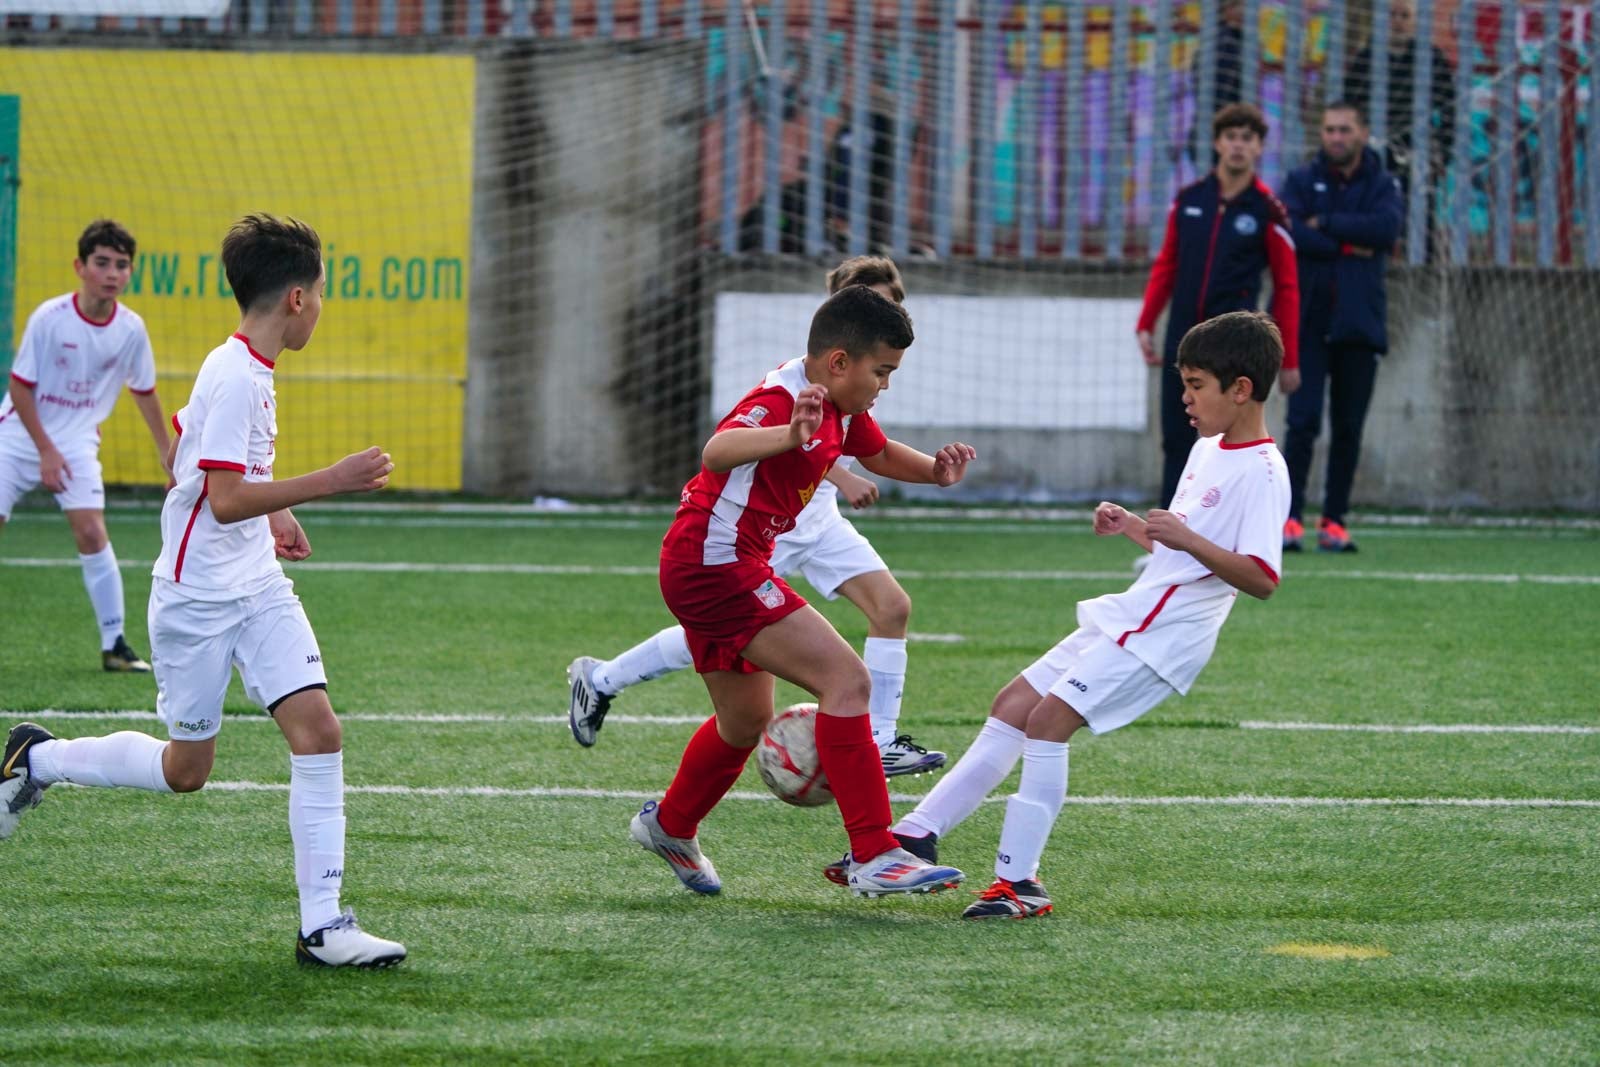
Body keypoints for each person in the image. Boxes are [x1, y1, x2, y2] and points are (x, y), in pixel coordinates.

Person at [0, 214, 406, 969]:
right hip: (195, 600)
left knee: (319, 732)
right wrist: (329, 481)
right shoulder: (237, 373)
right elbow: (219, 498)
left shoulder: (246, 365)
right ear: (294, 298)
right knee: (187, 771)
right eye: (320, 293)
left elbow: (194, 448)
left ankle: (324, 926)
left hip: (255, 584)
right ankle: (38, 758)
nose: (321, 305)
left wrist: (276, 508)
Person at [886, 311, 1289, 920]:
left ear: (1241, 389)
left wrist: (1185, 539)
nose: (1184, 398)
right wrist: (1133, 527)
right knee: (1012, 705)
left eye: (1197, 385)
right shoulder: (1207, 450)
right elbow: (1181, 549)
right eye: (1183, 382)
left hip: (1167, 636)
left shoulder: (1263, 470)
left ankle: (1019, 884)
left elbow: (1259, 578)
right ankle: (916, 832)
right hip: (1132, 616)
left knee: (1048, 721)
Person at [629, 285, 975, 898]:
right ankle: (874, 852)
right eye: (882, 372)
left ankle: (671, 825)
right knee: (848, 682)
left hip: (710, 562)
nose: (885, 385)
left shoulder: (839, 403)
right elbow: (717, 450)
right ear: (839, 362)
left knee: (745, 722)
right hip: (718, 565)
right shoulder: (784, 398)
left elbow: (878, 450)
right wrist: (789, 435)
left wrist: (935, 471)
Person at [568, 256, 945, 778]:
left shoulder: (855, 387)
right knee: (725, 634)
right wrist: (839, 472)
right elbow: (746, 446)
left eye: (893, 301)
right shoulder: (799, 388)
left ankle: (878, 742)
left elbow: (862, 444)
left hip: (819, 523)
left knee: (890, 608)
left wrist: (935, 471)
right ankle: (605, 679)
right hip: (759, 530)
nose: (889, 311)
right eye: (876, 301)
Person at [0, 220, 172, 672]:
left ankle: (115, 644)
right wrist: (44, 451)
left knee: (93, 532)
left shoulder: (132, 329)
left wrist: (166, 451)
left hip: (75, 444)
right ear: (80, 266)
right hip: (18, 435)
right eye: (102, 263)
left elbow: (144, 390)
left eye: (121, 265)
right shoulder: (50, 319)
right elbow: (20, 390)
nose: (112, 273)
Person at [1138, 103, 1300, 512]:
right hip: (1182, 337)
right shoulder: (1190, 199)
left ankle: (1219, 532)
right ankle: (1165, 540)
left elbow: (1286, 285)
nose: (1238, 146)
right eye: (1231, 137)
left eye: (1248, 138)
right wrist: (1146, 321)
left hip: (1233, 350)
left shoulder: (1268, 211)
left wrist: (1290, 358)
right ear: (1217, 143)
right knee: (1176, 438)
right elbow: (1167, 264)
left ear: (1259, 147)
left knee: (1226, 444)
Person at [1279, 102, 1404, 553]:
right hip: (1309, 324)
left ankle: (1334, 521)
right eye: (1329, 129)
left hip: (1359, 325)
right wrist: (1351, 244)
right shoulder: (1299, 180)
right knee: (1302, 423)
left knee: (1348, 427)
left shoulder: (1383, 182)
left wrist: (1326, 225)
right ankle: (1288, 520)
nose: (1336, 137)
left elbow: (1387, 229)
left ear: (1363, 133)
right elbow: (1290, 229)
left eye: (1344, 129)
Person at [1344, 0, 1455, 205]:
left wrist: (1442, 151)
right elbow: (1350, 106)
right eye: (1392, 15)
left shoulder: (1431, 58)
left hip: (1417, 153)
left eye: (1404, 16)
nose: (1397, 22)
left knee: (1418, 214)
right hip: (1374, 150)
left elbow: (1450, 108)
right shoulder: (1366, 58)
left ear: (1415, 21)